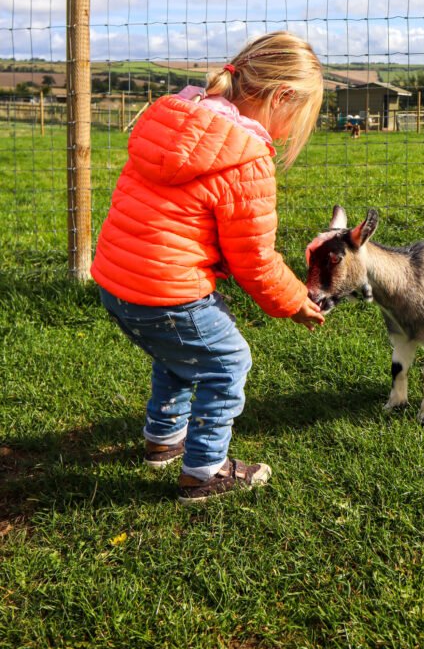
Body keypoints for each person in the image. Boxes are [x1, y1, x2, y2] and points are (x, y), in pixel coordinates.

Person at [91, 31, 326, 504]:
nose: (293, 128)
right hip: (166, 291)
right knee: (227, 362)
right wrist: (294, 301)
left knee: (180, 354)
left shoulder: (173, 119)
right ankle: (204, 471)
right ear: (281, 97)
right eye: (299, 115)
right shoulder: (245, 157)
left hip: (116, 282)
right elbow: (254, 261)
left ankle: (163, 439)